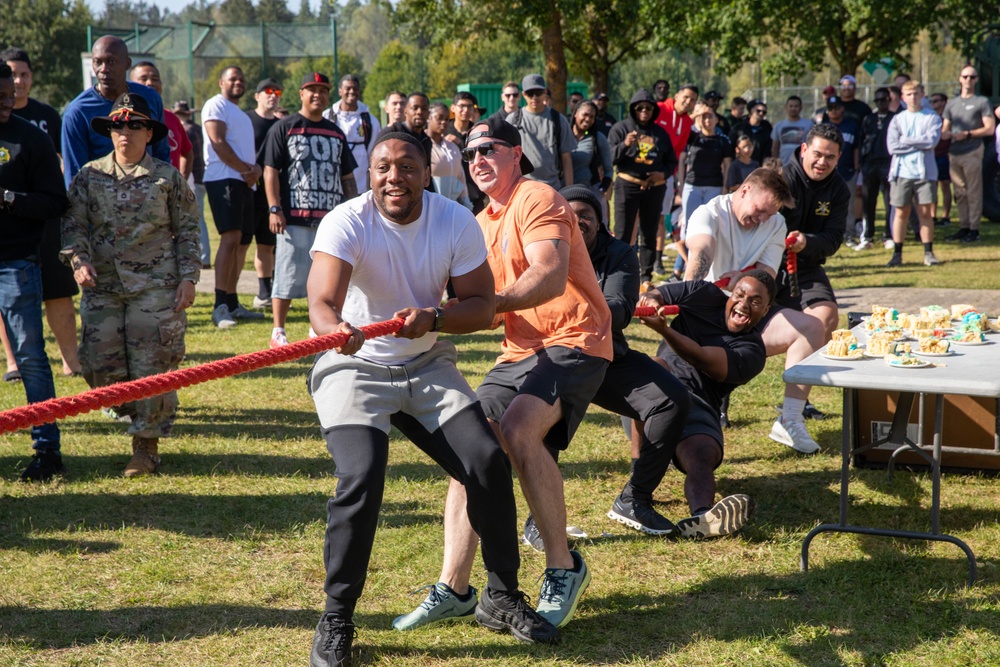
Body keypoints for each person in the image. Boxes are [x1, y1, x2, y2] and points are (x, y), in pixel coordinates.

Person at [305, 132, 561, 666]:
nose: (392, 176)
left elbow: (481, 303)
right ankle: (337, 618)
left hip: (425, 362)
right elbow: (322, 303)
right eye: (381, 167)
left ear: (427, 172)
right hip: (356, 366)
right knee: (362, 477)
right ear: (369, 173)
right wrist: (339, 329)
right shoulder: (347, 220)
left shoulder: (453, 220)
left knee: (487, 460)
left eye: (405, 166)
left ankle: (501, 596)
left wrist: (437, 318)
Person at [460, 116, 612, 627]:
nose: (478, 159)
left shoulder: (538, 197)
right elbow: (473, 304)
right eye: (470, 153)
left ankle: (563, 567)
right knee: (470, 441)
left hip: (576, 337)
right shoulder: (481, 223)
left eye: (488, 148)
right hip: (519, 351)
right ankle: (453, 587)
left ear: (516, 153)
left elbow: (547, 276)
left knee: (521, 433)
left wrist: (490, 304)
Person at [61, 92, 200, 478]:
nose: (126, 132)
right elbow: (73, 225)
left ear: (148, 132)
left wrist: (189, 277)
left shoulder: (167, 178)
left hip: (155, 287)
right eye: (118, 125)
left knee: (152, 368)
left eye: (135, 124)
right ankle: (128, 407)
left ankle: (146, 449)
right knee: (97, 366)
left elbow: (188, 229)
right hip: (103, 285)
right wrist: (79, 260)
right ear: (110, 130)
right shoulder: (89, 175)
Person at [558, 185, 690, 535]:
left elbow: (618, 309)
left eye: (586, 215)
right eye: (570, 214)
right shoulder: (546, 250)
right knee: (542, 428)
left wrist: (571, 310)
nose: (578, 221)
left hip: (607, 355)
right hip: (554, 358)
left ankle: (635, 498)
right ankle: (540, 523)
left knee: (670, 400)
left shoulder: (619, 253)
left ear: (600, 222)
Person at [634, 270, 776, 537]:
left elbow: (700, 357)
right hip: (661, 383)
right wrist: (651, 300)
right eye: (740, 295)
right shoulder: (703, 293)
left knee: (702, 456)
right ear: (730, 294)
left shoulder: (753, 351)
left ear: (766, 310)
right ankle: (637, 484)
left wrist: (664, 330)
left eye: (755, 302)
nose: (744, 304)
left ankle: (703, 518)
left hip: (698, 404)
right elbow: (658, 293)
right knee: (650, 369)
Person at [0, 62, 68, 481]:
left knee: (30, 357)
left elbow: (54, 202)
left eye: (11, 95)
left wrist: (7, 197)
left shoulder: (32, 139)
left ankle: (48, 451)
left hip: (16, 264)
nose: (9, 102)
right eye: (1, 98)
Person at [767, 123, 850, 453]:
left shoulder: (839, 190)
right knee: (740, 328)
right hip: (767, 266)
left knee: (826, 318)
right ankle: (717, 404)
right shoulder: (779, 180)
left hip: (807, 263)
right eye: (817, 154)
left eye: (830, 157)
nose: (822, 162)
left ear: (839, 158)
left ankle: (791, 414)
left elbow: (833, 240)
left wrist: (808, 242)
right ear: (803, 150)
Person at [0, 47, 81, 380]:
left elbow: (60, 169)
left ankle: (71, 361)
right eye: (13, 75)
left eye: (24, 75)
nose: (18, 83)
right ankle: (13, 361)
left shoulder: (45, 118)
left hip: (43, 223)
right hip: (10, 241)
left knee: (58, 289)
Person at [263, 72, 358, 350]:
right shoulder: (285, 127)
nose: (318, 94)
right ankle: (278, 330)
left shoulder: (335, 131)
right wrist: (274, 208)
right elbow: (270, 171)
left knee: (328, 279)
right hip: (294, 216)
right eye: (311, 89)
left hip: (330, 221)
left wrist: (352, 211)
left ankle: (316, 327)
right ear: (301, 94)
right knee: (287, 274)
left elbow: (347, 176)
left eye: (323, 90)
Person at [62, 36, 169, 187]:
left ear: (127, 64)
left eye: (111, 62)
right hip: (102, 203)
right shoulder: (77, 112)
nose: (103, 69)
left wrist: (165, 192)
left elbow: (161, 153)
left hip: (148, 197)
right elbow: (75, 175)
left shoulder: (149, 98)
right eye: (97, 62)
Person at [201, 65, 262, 328]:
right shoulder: (215, 105)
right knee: (230, 239)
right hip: (224, 179)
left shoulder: (241, 114)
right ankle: (219, 305)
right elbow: (217, 142)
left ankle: (233, 302)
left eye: (241, 78)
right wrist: (246, 170)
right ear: (220, 82)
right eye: (232, 78)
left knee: (242, 242)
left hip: (244, 183)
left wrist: (255, 170)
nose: (238, 82)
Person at [608, 90, 677, 284]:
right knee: (622, 232)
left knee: (649, 232)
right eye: (640, 108)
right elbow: (610, 157)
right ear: (633, 109)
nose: (644, 111)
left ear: (654, 110)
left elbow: (671, 161)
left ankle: (646, 276)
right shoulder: (621, 128)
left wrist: (662, 174)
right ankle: (617, 273)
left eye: (648, 107)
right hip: (627, 185)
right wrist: (625, 144)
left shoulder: (660, 133)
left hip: (654, 188)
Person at [885, 81, 942, 268]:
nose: (913, 97)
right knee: (901, 212)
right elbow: (893, 146)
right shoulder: (898, 119)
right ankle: (897, 254)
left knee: (925, 212)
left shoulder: (931, 117)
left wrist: (906, 140)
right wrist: (918, 142)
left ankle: (928, 252)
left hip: (925, 173)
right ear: (902, 97)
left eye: (916, 93)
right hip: (901, 172)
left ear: (922, 94)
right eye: (908, 94)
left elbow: (931, 142)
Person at [942, 65, 996, 243]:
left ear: (977, 80)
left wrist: (968, 134)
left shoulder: (982, 102)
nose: (968, 80)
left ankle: (974, 228)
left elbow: (989, 129)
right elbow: (945, 129)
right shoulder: (952, 103)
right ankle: (963, 227)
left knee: (973, 191)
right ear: (960, 78)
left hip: (972, 150)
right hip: (954, 152)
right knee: (960, 192)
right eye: (965, 77)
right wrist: (947, 135)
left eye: (972, 77)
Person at [247, 77, 284, 311]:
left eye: (277, 91)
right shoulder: (246, 120)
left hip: (273, 194)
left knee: (267, 244)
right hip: (249, 190)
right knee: (241, 244)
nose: (273, 95)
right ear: (257, 96)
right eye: (267, 91)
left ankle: (265, 292)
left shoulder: (282, 124)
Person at [507, 73, 576, 189]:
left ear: (545, 92)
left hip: (553, 187)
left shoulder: (558, 120)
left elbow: (566, 158)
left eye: (538, 92)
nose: (534, 97)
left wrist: (570, 191)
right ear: (523, 94)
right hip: (521, 188)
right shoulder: (513, 120)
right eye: (530, 93)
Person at [677, 101, 734, 232]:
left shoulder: (723, 140)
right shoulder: (692, 137)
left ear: (716, 120)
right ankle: (688, 252)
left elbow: (727, 165)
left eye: (710, 116)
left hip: (714, 186)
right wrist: (681, 184)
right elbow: (681, 159)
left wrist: (725, 187)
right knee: (690, 224)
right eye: (704, 117)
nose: (707, 119)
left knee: (711, 224)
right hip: (692, 185)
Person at [129, 61, 192, 178]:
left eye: (155, 78)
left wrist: (181, 180)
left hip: (167, 189)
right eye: (143, 78)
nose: (150, 83)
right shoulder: (124, 120)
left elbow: (187, 152)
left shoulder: (172, 117)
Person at [323, 74, 380, 192]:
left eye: (355, 89)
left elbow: (374, 154)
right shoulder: (327, 117)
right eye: (348, 88)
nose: (352, 92)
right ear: (340, 91)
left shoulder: (370, 121)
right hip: (332, 185)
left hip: (360, 186)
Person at [855, 88, 895, 250]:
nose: (881, 103)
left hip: (888, 163)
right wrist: (860, 163)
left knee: (889, 201)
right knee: (868, 201)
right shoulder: (869, 119)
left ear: (889, 100)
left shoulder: (895, 118)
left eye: (883, 100)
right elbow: (861, 141)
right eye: (877, 101)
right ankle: (867, 235)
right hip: (870, 164)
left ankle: (889, 235)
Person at [173, 101, 211, 268]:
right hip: (202, 177)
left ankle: (203, 257)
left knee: (195, 219)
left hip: (192, 179)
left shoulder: (186, 131)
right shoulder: (197, 128)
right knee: (199, 218)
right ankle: (204, 256)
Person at [379, 92, 435, 192]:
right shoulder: (390, 134)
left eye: (424, 108)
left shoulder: (426, 140)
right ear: (405, 111)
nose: (419, 112)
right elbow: (375, 168)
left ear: (428, 113)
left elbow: (426, 175)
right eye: (415, 108)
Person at [568, 100, 612, 221]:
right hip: (565, 192)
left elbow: (608, 168)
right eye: (585, 115)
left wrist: (602, 190)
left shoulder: (597, 138)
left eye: (592, 117)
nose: (588, 119)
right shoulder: (563, 135)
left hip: (591, 192)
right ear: (576, 113)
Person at [427, 102, 473, 209]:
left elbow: (461, 178)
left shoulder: (452, 147)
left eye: (447, 119)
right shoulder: (421, 146)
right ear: (428, 118)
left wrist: (467, 205)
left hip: (452, 208)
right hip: (430, 209)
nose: (444, 122)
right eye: (439, 118)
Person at [445, 91, 485, 212]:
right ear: (453, 108)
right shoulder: (444, 133)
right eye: (462, 106)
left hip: (475, 198)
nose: (466, 110)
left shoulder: (478, 132)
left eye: (469, 106)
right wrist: (442, 142)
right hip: (450, 198)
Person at [928, 92, 953, 226]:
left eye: (936, 101)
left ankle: (945, 215)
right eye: (931, 101)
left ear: (943, 102)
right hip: (932, 154)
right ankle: (932, 215)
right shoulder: (930, 118)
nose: (933, 104)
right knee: (932, 186)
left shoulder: (948, 119)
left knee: (945, 185)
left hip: (944, 155)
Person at [771, 96, 813, 164]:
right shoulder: (779, 126)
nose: (793, 108)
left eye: (796, 106)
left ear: (801, 108)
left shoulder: (809, 125)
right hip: (783, 164)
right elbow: (775, 147)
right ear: (786, 108)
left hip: (801, 165)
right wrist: (775, 163)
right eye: (791, 106)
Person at [730, 99, 773, 165]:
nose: (761, 113)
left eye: (764, 112)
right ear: (751, 111)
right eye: (758, 111)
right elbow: (730, 148)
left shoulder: (767, 128)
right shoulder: (739, 128)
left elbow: (768, 151)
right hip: (740, 166)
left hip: (759, 166)